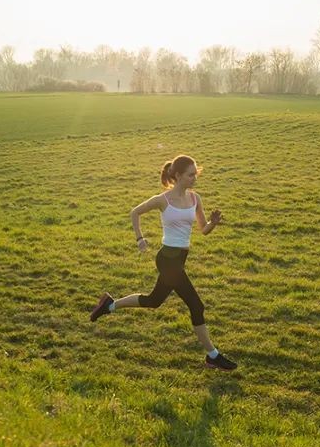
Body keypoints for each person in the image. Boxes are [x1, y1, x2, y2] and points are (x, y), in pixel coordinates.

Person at [90, 155, 238, 371]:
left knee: (154, 300)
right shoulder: (163, 200)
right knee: (196, 305)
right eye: (190, 175)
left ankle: (109, 305)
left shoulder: (195, 198)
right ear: (178, 176)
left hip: (179, 259)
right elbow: (135, 212)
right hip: (167, 260)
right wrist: (140, 239)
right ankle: (212, 355)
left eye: (196, 174)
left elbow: (203, 229)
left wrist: (213, 224)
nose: (194, 178)